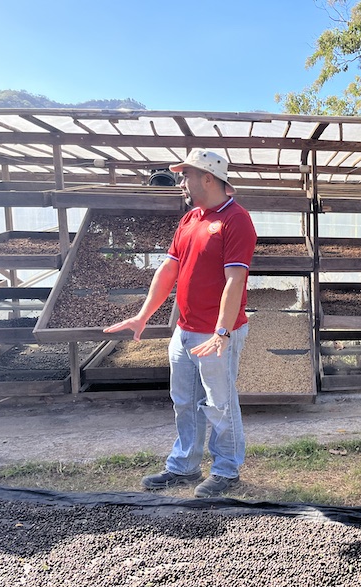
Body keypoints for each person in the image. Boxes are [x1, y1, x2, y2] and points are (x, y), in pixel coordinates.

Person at [104, 149, 256, 498]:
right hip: (184, 330)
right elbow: (168, 269)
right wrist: (144, 314)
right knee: (184, 401)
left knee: (220, 403)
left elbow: (235, 280)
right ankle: (184, 466)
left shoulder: (236, 220)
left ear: (207, 177)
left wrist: (222, 330)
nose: (181, 182)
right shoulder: (190, 220)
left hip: (216, 332)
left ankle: (226, 470)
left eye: (185, 175)